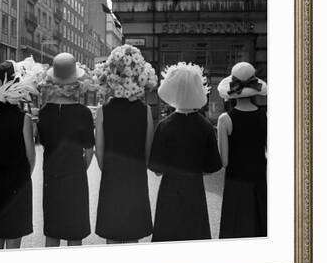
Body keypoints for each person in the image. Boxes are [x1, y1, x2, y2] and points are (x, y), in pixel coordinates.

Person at [149, 62, 222, 242]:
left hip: (169, 189)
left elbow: (156, 168)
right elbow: (212, 166)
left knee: (167, 237)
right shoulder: (205, 126)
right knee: (194, 236)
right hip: (194, 188)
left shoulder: (164, 126)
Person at [93, 45, 157, 243]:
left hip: (112, 173)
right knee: (133, 233)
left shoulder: (104, 111)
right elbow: (149, 149)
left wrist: (109, 168)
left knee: (112, 234)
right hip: (136, 173)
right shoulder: (145, 110)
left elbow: (99, 151)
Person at [0, 58, 44, 250]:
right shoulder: (23, 118)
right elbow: (30, 156)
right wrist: (23, 176)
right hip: (18, 180)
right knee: (14, 236)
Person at [37, 53, 95, 247]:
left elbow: (44, 142)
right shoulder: (84, 113)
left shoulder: (44, 112)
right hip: (75, 176)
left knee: (52, 232)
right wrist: (79, 168)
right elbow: (89, 150)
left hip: (51, 175)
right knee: (74, 232)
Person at [217, 62, 268, 238]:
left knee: (235, 229)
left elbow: (224, 161)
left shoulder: (225, 119)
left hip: (236, 181)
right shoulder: (266, 116)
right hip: (259, 178)